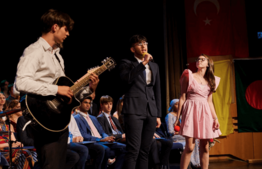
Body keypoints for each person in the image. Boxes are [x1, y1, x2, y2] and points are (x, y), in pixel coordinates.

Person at [14, 9, 99, 169]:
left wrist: (90, 88)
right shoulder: (34, 51)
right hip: (44, 118)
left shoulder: (57, 56)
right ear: (55, 27)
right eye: (65, 29)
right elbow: (21, 83)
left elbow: (67, 91)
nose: (67, 34)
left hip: (59, 119)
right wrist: (56, 90)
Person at [119, 34, 162, 169]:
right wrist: (143, 63)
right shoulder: (126, 63)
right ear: (132, 49)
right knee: (133, 150)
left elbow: (157, 90)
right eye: (140, 44)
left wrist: (158, 114)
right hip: (133, 110)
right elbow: (127, 79)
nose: (144, 46)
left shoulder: (154, 66)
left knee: (145, 150)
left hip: (150, 110)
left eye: (145, 43)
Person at [175, 54, 221, 169]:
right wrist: (177, 117)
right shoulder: (188, 75)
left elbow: (210, 102)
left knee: (205, 147)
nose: (199, 61)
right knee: (190, 147)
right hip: (190, 110)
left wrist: (215, 118)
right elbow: (182, 97)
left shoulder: (212, 80)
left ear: (208, 64)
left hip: (205, 112)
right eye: (198, 59)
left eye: (202, 59)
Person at [74, 96, 126, 169]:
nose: (88, 105)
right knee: (105, 149)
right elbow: (84, 135)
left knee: (124, 147)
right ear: (80, 104)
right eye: (85, 102)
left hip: (102, 141)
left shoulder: (93, 118)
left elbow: (102, 131)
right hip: (93, 141)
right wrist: (100, 139)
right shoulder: (76, 118)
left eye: (89, 103)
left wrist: (107, 138)